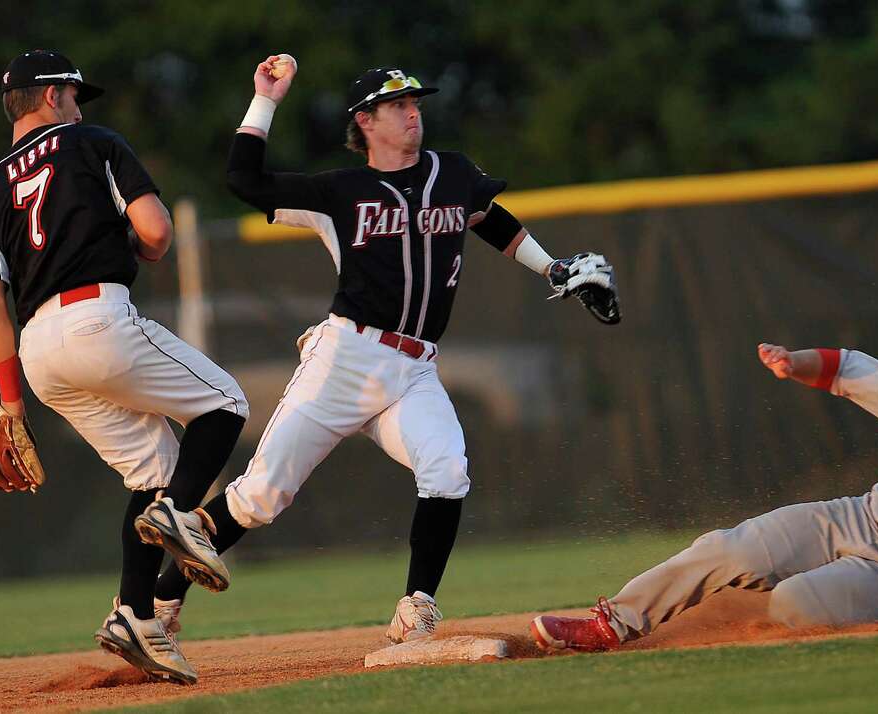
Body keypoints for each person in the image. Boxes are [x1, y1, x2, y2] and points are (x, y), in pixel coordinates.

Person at [148, 56, 620, 643]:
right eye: (399, 106)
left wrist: (551, 267)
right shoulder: (339, 191)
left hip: (414, 367)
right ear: (366, 120)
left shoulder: (452, 172)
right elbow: (246, 182)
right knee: (260, 497)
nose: (413, 113)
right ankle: (160, 608)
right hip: (346, 360)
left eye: (416, 104)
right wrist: (265, 100)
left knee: (447, 469)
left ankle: (417, 606)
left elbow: (489, 218)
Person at [0, 50, 249, 684]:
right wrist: (143, 244)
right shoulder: (94, 142)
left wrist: (11, 402)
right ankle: (179, 515)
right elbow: (156, 231)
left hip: (38, 354)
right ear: (55, 95)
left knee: (151, 471)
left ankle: (134, 616)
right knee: (224, 403)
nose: (78, 103)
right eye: (73, 92)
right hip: (97, 318)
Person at [531, 340, 878, 650]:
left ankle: (828, 604)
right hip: (852, 520)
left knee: (794, 605)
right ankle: (613, 623)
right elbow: (846, 367)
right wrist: (794, 363)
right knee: (731, 547)